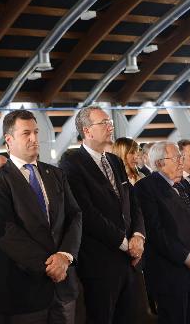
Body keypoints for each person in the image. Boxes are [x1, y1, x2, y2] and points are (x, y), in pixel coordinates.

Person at [0, 110, 82, 323]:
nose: (34, 138)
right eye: (26, 133)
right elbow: (7, 233)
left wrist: (65, 256)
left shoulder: (55, 174)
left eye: (36, 132)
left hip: (64, 286)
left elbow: (74, 216)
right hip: (24, 290)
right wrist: (50, 266)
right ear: (9, 140)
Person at [59, 106, 144, 324]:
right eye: (104, 123)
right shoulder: (72, 163)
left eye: (110, 122)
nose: (110, 126)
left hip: (129, 260)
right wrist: (126, 244)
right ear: (87, 131)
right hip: (100, 261)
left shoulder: (114, 160)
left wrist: (138, 236)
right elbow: (87, 213)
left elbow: (131, 201)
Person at [135, 142, 190, 324]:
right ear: (160, 163)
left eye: (181, 157)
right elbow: (156, 232)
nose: (181, 162)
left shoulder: (184, 184)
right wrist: (187, 258)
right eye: (177, 158)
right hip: (171, 275)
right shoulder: (146, 188)